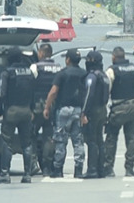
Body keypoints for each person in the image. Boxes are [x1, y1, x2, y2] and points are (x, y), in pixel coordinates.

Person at [0, 47, 36, 184]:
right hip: (26, 111)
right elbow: (33, 93)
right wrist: (32, 109)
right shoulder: (29, 72)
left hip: (11, 112)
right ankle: (27, 174)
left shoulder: (6, 73)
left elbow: (2, 93)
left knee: (7, 142)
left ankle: (5, 173)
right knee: (26, 143)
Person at [43, 48, 87, 178]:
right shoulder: (84, 73)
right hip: (78, 110)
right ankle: (78, 169)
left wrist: (47, 107)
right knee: (78, 140)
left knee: (60, 140)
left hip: (63, 111)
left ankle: (58, 169)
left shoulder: (62, 74)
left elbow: (53, 92)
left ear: (68, 59)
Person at [103, 46, 134, 177]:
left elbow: (106, 89)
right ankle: (130, 168)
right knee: (131, 138)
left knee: (111, 137)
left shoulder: (111, 70)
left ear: (114, 57)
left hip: (119, 107)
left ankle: (109, 168)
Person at [30, 43, 61, 176]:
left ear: (41, 53)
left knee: (31, 135)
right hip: (52, 107)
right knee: (49, 137)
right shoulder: (58, 68)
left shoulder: (35, 67)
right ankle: (47, 167)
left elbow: (29, 87)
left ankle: (32, 164)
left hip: (37, 106)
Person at [80, 51, 110, 179]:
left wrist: (84, 112)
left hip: (93, 110)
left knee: (91, 141)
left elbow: (89, 94)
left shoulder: (92, 76)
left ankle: (92, 169)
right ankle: (101, 169)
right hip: (102, 110)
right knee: (100, 140)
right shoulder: (104, 76)